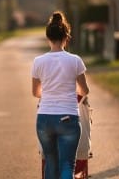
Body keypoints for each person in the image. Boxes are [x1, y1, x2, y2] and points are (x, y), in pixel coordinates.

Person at [32, 11, 89, 179]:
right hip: (68, 118)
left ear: (48, 38)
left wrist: (50, 90)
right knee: (66, 164)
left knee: (50, 162)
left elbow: (35, 92)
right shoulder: (75, 60)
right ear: (67, 37)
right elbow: (84, 90)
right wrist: (74, 91)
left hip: (44, 119)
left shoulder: (38, 62)